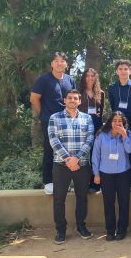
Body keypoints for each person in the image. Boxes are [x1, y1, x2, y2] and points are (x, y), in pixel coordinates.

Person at [48, 89, 94, 244]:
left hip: (82, 165)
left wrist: (77, 159)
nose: (73, 100)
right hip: (61, 165)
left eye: (76, 98)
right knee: (59, 199)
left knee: (82, 198)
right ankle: (61, 230)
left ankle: (81, 226)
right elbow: (53, 140)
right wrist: (68, 159)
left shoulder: (87, 118)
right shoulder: (55, 118)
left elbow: (90, 139)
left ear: (80, 101)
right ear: (64, 100)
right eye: (70, 98)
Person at [30, 52, 76, 195]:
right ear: (51, 64)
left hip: (67, 121)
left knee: (67, 150)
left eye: (62, 61)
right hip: (49, 121)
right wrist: (43, 114)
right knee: (50, 150)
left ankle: (65, 182)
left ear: (66, 64)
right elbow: (34, 98)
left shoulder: (70, 79)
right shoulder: (43, 79)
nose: (59, 63)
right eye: (56, 61)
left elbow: (74, 98)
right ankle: (48, 182)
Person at [92, 111, 131, 241]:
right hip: (106, 174)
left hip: (123, 173)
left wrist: (124, 135)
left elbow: (130, 150)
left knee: (124, 202)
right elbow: (95, 155)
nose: (117, 123)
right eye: (114, 120)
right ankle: (110, 230)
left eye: (119, 121)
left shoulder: (127, 133)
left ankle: (122, 230)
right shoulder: (101, 135)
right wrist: (96, 174)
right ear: (110, 121)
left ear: (123, 122)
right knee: (108, 203)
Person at [108, 60, 131, 191]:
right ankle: (118, 179)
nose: (123, 71)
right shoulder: (112, 87)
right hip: (117, 124)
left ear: (130, 71)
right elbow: (113, 106)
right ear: (117, 71)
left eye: (125, 69)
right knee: (118, 150)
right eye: (120, 69)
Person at [78, 68, 105, 193]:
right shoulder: (78, 92)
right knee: (82, 155)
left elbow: (101, 112)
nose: (90, 78)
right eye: (87, 76)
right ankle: (81, 182)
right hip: (81, 126)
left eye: (92, 76)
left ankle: (95, 183)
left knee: (95, 154)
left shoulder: (101, 93)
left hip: (96, 126)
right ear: (84, 77)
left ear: (95, 78)